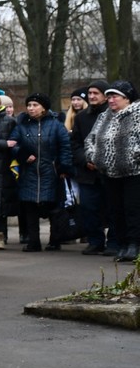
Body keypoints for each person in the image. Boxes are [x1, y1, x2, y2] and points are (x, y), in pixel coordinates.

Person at [7, 93, 74, 252]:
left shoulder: (56, 125)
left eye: (35, 105)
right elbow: (13, 144)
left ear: (44, 108)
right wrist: (22, 154)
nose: (31, 108)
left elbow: (65, 147)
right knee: (30, 209)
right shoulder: (22, 126)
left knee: (54, 209)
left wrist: (64, 168)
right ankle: (33, 242)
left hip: (51, 172)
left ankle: (55, 241)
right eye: (29, 105)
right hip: (29, 173)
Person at [85, 81, 140, 262]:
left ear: (127, 98)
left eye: (115, 96)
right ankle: (123, 245)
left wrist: (133, 155)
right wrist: (93, 156)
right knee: (116, 211)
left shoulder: (137, 114)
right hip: (109, 173)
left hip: (134, 173)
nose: (110, 100)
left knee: (132, 210)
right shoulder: (104, 116)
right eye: (108, 96)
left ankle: (134, 245)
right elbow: (91, 139)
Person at [71, 80, 112, 255]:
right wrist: (85, 160)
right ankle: (95, 241)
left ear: (105, 96)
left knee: (112, 208)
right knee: (88, 208)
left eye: (96, 93)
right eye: (90, 93)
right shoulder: (81, 117)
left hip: (109, 172)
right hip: (87, 172)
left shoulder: (114, 115)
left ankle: (114, 242)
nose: (92, 96)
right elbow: (75, 143)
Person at [0, 91, 18, 248]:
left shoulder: (10, 122)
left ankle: (0, 236)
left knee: (1, 202)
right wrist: (3, 144)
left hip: (4, 166)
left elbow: (15, 142)